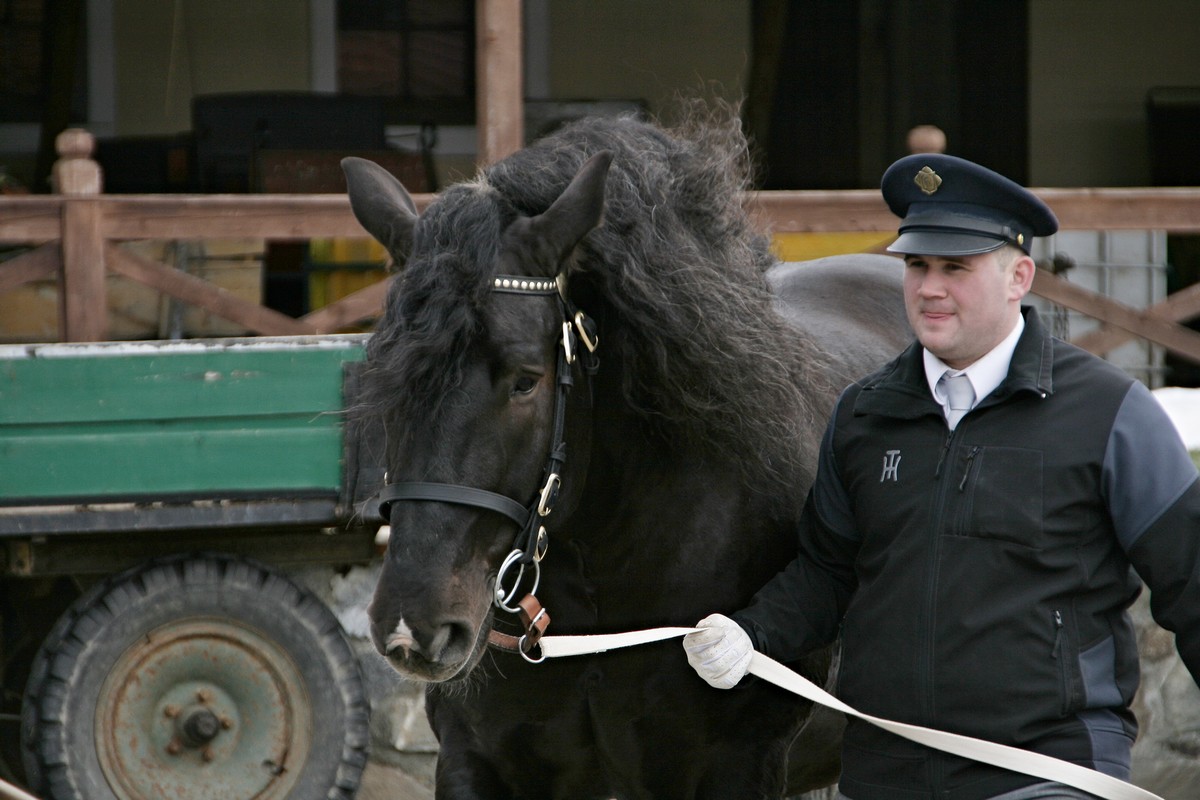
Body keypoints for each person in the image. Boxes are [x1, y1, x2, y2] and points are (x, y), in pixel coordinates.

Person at [684, 153, 1200, 800]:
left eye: (956, 267)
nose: (930, 287)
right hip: (880, 778)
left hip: (1049, 778)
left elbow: (1194, 585)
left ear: (1019, 276)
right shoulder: (864, 413)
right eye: (917, 265)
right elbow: (826, 573)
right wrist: (749, 633)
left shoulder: (1111, 413)